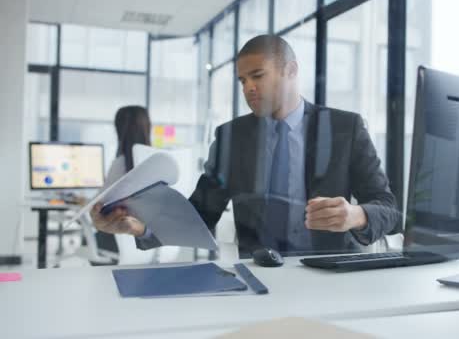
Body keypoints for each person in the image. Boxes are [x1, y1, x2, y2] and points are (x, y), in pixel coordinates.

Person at [91, 35, 401, 257]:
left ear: (291, 71)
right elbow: (199, 215)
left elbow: (388, 208)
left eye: (258, 76)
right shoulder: (231, 137)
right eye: (242, 80)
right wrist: (142, 227)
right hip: (258, 273)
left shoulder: (345, 128)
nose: (248, 87)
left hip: (329, 271)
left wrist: (356, 215)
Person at [90, 105, 152, 256]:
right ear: (147, 127)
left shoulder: (120, 163)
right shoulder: (155, 161)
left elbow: (98, 204)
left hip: (121, 241)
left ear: (119, 129)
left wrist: (82, 202)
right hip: (152, 242)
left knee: (92, 237)